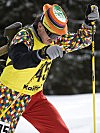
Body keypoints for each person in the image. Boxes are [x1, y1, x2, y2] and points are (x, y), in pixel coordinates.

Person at [0, 3, 99, 133]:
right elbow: (19, 61)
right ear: (40, 26)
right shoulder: (25, 37)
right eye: (53, 35)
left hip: (34, 97)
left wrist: (88, 24)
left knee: (60, 131)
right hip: (9, 94)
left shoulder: (54, 40)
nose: (55, 40)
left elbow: (81, 40)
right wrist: (41, 54)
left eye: (59, 35)